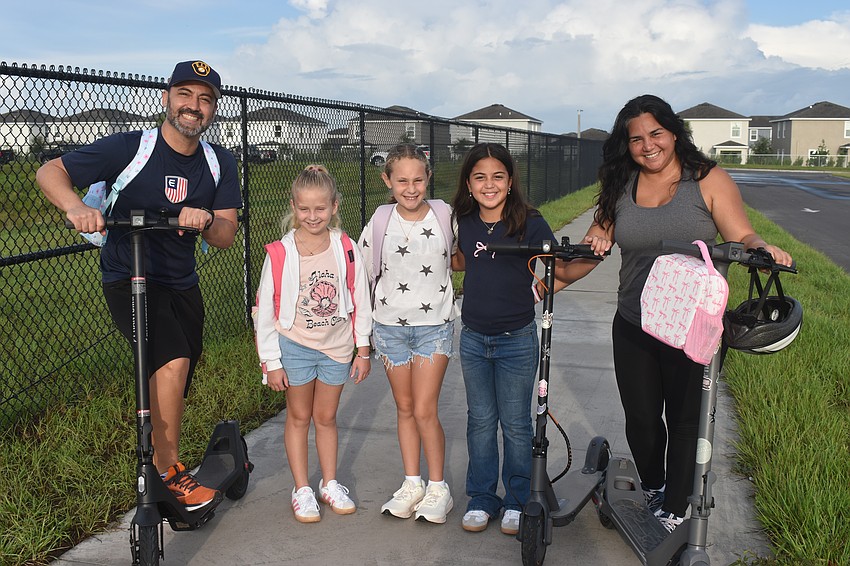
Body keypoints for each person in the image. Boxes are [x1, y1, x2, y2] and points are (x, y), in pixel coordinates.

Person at [551, 94, 793, 532]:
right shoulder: (620, 186)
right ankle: (655, 485)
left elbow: (743, 234)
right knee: (641, 418)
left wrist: (762, 248)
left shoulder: (708, 180)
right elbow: (595, 246)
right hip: (634, 321)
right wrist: (551, 280)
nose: (648, 146)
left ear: (674, 132)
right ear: (627, 145)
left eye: (656, 134)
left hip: (693, 326)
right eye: (637, 139)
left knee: (685, 419)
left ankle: (678, 505)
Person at [36, 60, 242, 511]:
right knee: (172, 361)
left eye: (205, 99)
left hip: (181, 281)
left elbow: (226, 235)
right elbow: (50, 171)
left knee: (177, 372)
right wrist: (75, 207)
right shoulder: (131, 148)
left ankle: (163, 459)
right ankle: (166, 471)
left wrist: (205, 220)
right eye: (185, 95)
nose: (194, 106)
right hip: (126, 275)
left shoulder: (218, 162)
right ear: (165, 99)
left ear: (213, 110)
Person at [254, 164, 372, 523]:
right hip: (295, 346)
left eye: (320, 208)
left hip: (336, 348)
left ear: (335, 206)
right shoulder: (280, 253)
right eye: (304, 209)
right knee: (299, 416)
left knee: (326, 417)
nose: (312, 216)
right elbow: (264, 311)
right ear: (293, 206)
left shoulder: (346, 247)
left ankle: (330, 483)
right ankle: (302, 488)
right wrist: (271, 361)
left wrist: (362, 348)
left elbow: (361, 297)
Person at [450, 142, 557, 535]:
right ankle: (481, 497)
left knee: (515, 423)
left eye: (498, 176)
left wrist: (550, 283)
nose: (489, 184)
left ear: (510, 182)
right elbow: (456, 258)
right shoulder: (462, 219)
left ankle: (516, 500)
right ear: (469, 182)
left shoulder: (530, 221)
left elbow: (558, 259)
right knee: (480, 420)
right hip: (474, 337)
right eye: (480, 177)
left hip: (517, 339)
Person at [357, 144, 458, 524]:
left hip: (434, 329)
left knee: (424, 409)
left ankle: (438, 487)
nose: (411, 188)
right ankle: (412, 482)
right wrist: (363, 339)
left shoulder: (445, 215)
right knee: (403, 408)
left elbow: (463, 258)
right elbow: (363, 274)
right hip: (389, 329)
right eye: (402, 181)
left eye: (418, 179)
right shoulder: (380, 220)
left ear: (428, 177)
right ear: (388, 181)